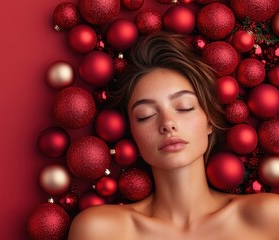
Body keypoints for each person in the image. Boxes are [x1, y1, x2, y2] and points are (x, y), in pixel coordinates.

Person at [68, 33, 279, 240]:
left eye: (184, 107)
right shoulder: (100, 231)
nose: (167, 123)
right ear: (133, 133)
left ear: (209, 121)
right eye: (146, 115)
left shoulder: (268, 217)